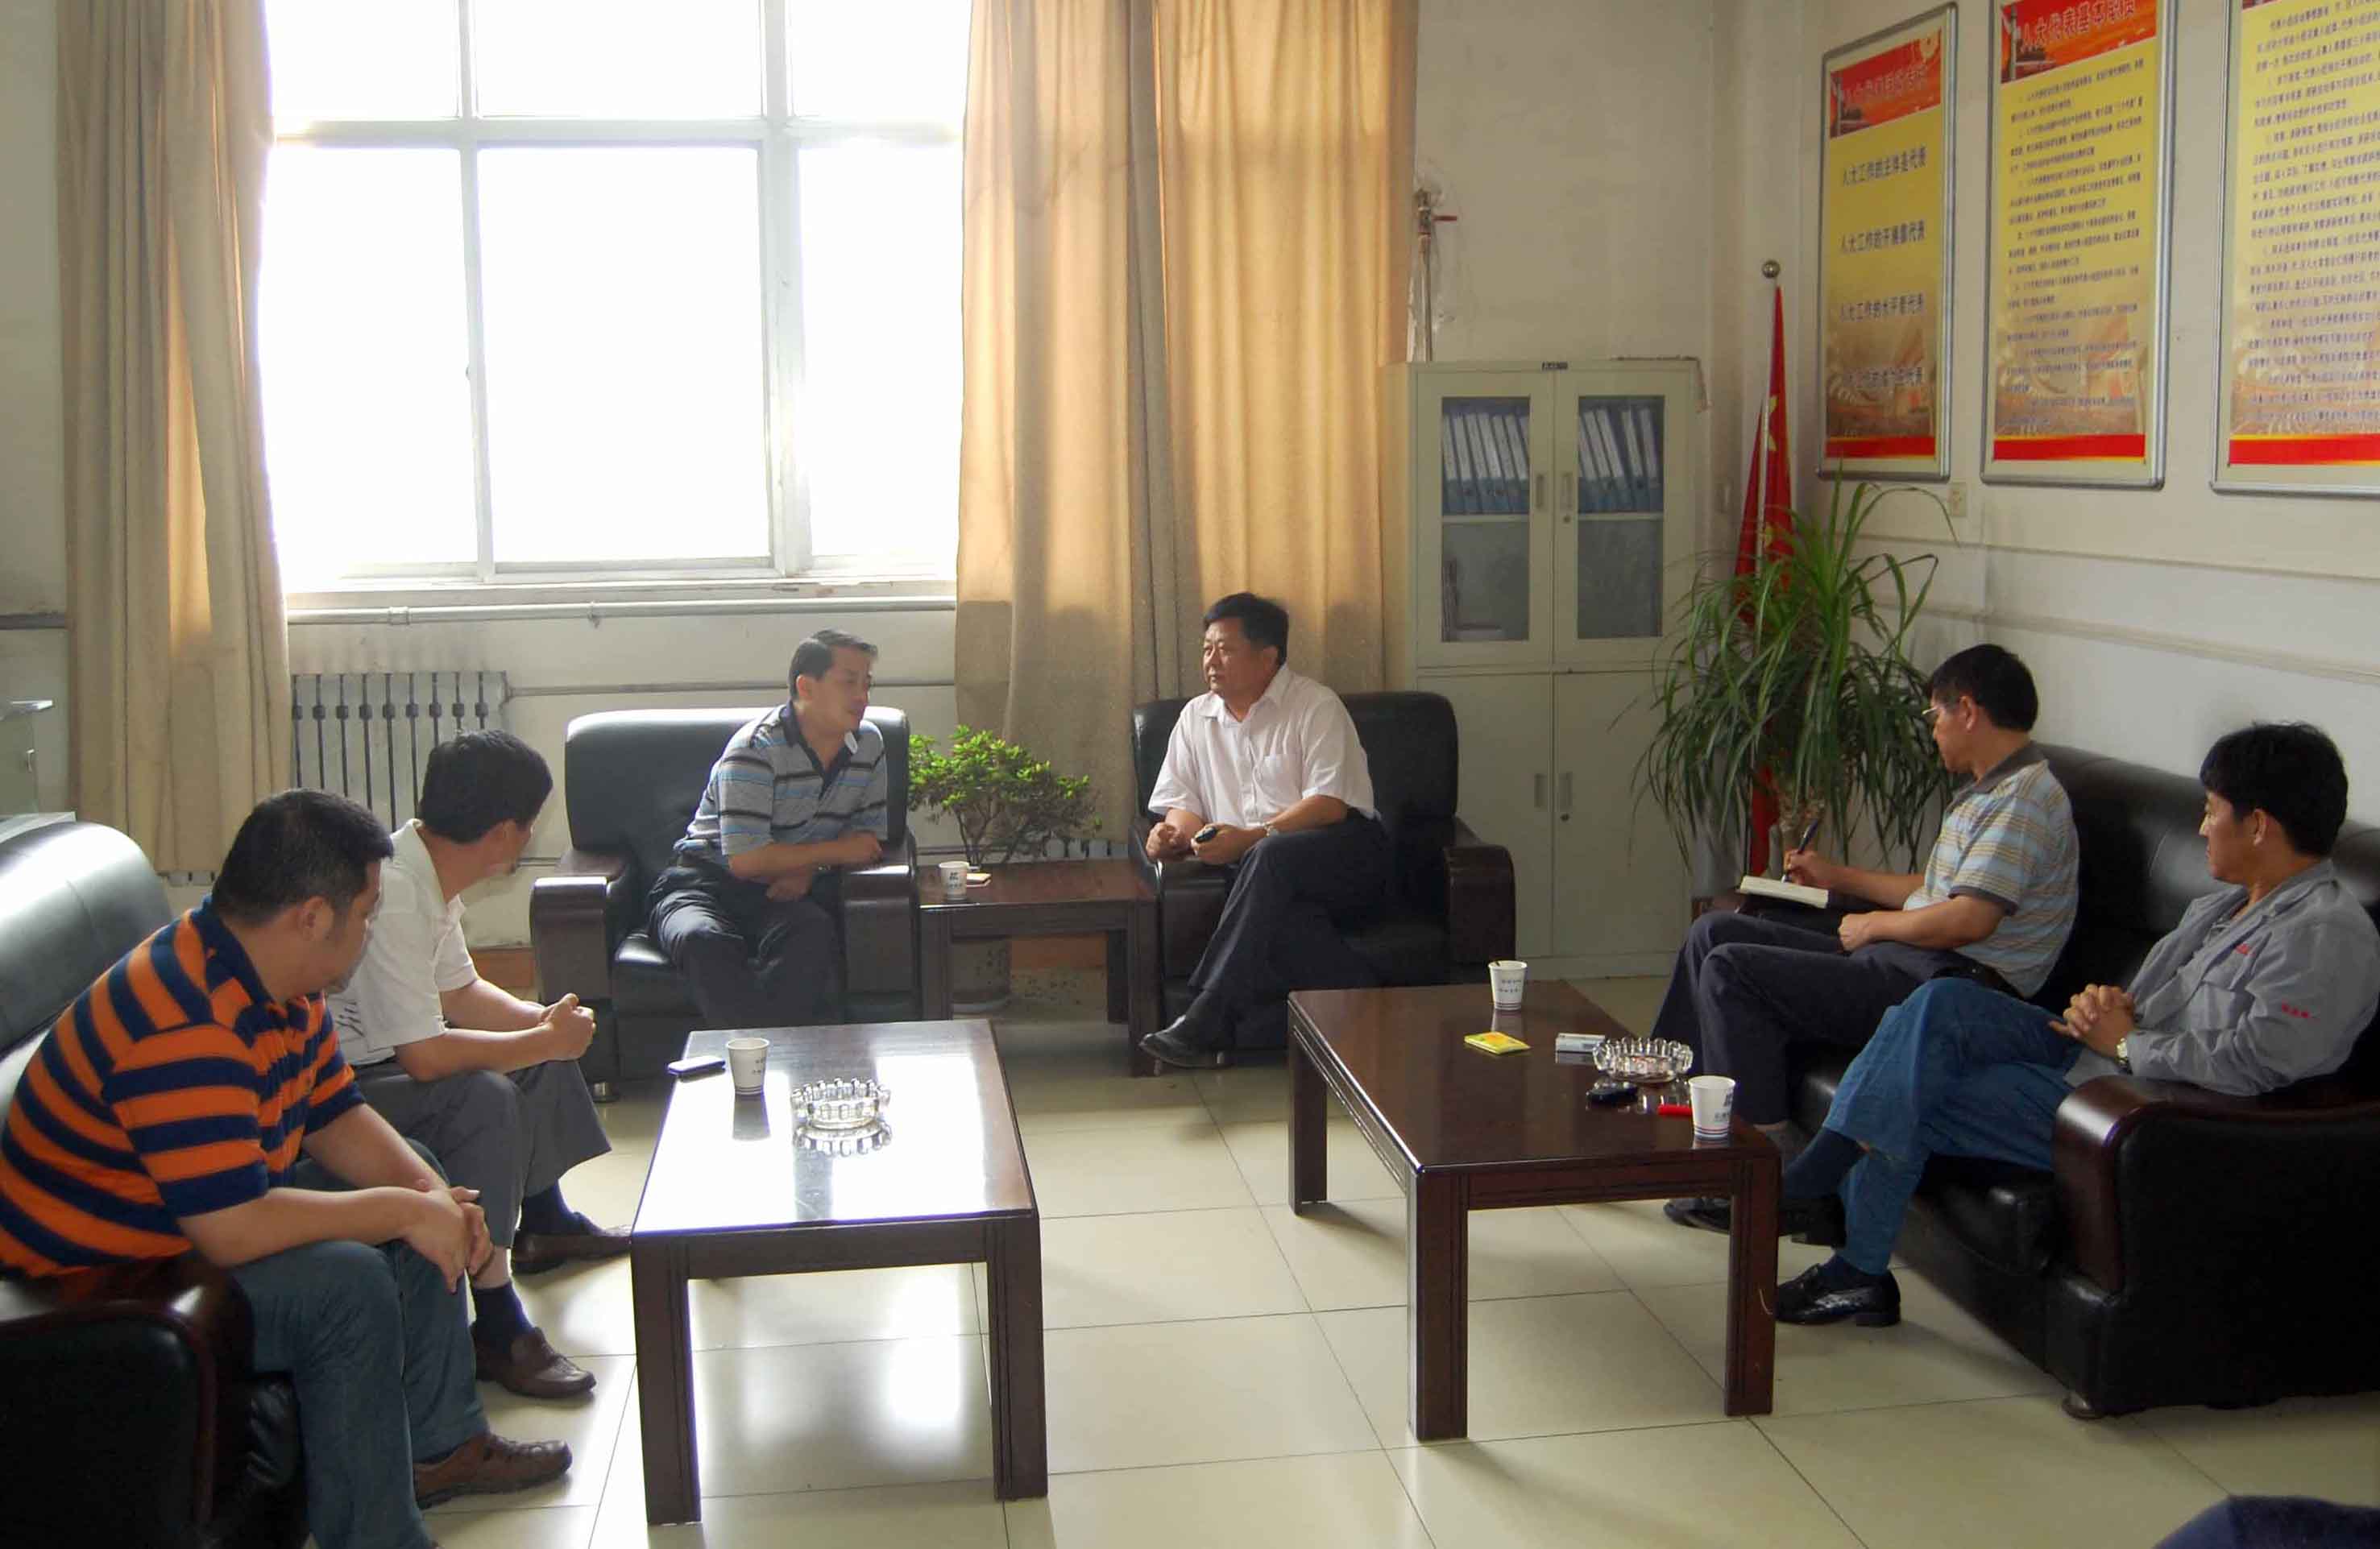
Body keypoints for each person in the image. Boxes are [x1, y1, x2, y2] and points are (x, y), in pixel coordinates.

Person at [0, 791, 570, 1549]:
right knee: (348, 1283)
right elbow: (233, 1228)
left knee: (417, 1176)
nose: (368, 930)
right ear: (311, 915)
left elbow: (333, 1113)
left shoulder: (275, 979)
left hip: (190, 1211)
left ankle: (442, 1449)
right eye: (365, 913)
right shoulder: (186, 1017)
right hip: (104, 1268)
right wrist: (406, 1212)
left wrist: (431, 1196)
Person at [1767, 723, 2380, 1327]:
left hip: (2142, 1110)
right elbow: (2150, 1004)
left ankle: (1853, 1260)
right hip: (2097, 1056)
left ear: (2259, 824)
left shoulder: (2324, 935)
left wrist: (2127, 1042)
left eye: (2212, 811)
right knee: (1942, 1001)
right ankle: (1829, 1182)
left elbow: (2257, 1061)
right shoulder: (2223, 904)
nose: (2201, 828)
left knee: (1914, 1088)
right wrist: (2105, 1005)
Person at [1653, 644, 2080, 1232]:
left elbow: (1969, 919)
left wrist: (1874, 924)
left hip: (1949, 985)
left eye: (1935, 715)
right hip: (1911, 959)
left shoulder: (2024, 801)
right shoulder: (1988, 791)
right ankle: (1673, 1112)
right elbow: (1933, 891)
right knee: (1713, 931)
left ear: (1968, 711)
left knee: (1731, 970)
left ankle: (1765, 1174)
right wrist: (1838, 877)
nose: (1933, 729)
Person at [329, 731, 624, 1402]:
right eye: (528, 824)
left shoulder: (427, 869)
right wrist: (541, 1041)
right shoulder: (397, 892)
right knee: (489, 1094)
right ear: (502, 833)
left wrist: (542, 1023)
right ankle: (495, 1319)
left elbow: (460, 993)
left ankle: (544, 1222)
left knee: (536, 1044)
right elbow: (426, 1055)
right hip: (349, 1086)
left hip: (395, 1057)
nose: (528, 837)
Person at [1138, 593, 1391, 1069]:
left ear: (1268, 656)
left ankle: (1208, 1012)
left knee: (1268, 857)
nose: (1211, 661)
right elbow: (1184, 804)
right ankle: (1361, 993)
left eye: (1225, 650)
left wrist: (1255, 836)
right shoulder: (1196, 717)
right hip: (1260, 873)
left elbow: (1329, 803)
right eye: (1207, 649)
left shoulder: (1315, 705)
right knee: (1275, 901)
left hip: (1344, 856)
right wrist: (1170, 835)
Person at [647, 630, 891, 1029]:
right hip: (702, 882)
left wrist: (809, 869)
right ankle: (766, 1056)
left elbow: (866, 841)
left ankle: (771, 1055)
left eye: (867, 684)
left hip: (778, 892)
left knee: (812, 932)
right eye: (849, 683)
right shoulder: (755, 749)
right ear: (806, 687)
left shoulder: (869, 744)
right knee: (701, 939)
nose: (862, 697)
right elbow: (746, 860)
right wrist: (822, 857)